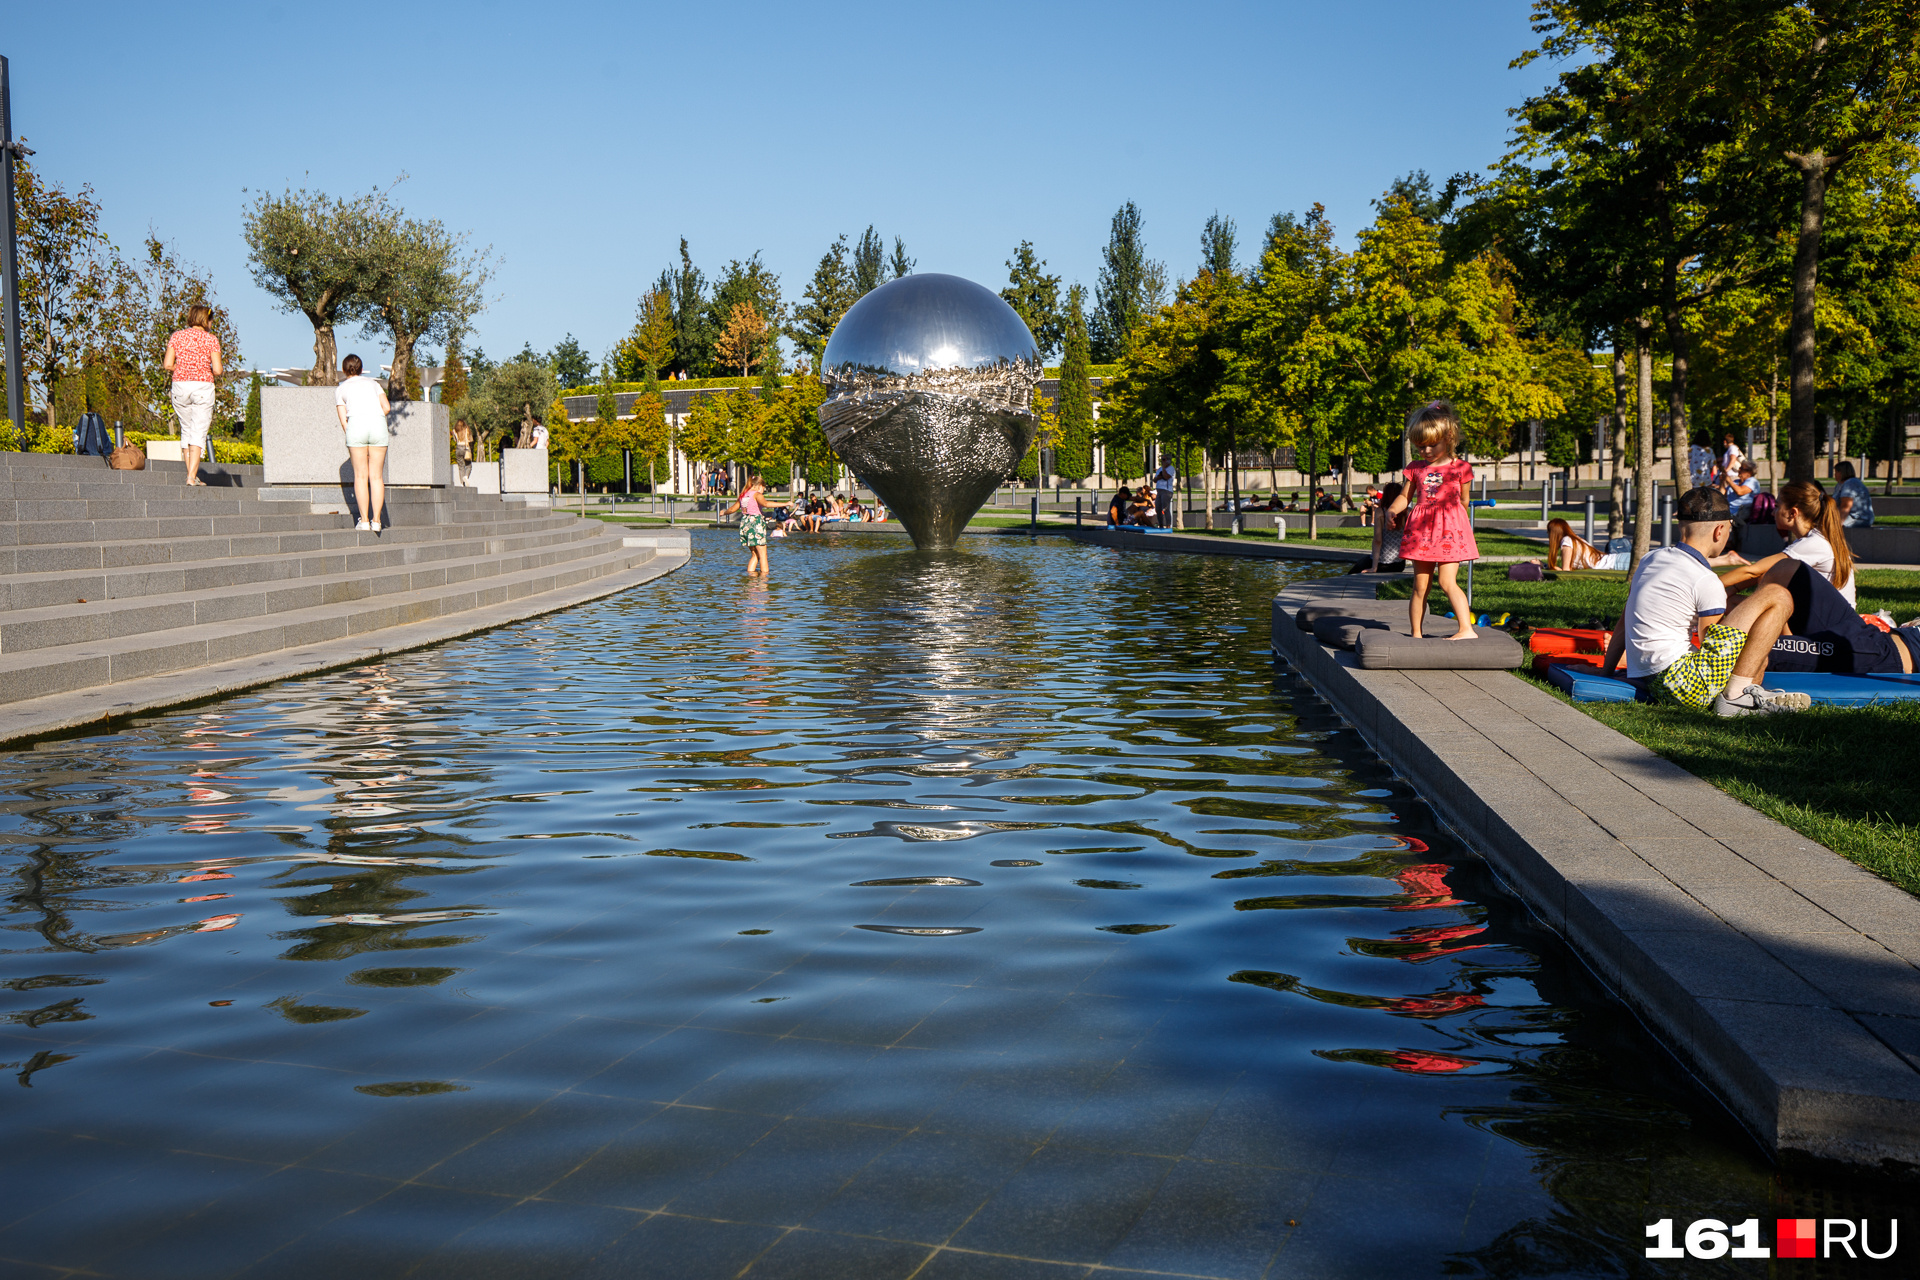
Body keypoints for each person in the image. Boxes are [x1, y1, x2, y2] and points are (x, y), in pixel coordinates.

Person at [1600, 486, 1813, 715]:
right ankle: (1736, 698)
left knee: (1751, 633)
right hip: (1686, 686)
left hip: (1647, 677)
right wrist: (1758, 649)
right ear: (1719, 530)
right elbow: (1714, 646)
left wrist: (1606, 674)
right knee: (1778, 595)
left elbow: (1624, 622)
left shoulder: (1650, 559)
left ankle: (1744, 690)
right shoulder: (1705, 579)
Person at [1385, 400, 1479, 640]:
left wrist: (1455, 525)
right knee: (1420, 587)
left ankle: (1466, 629)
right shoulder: (1415, 468)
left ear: (1448, 437)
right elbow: (1405, 497)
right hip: (1422, 534)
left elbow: (1464, 502)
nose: (1425, 451)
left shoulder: (1460, 468)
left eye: (1431, 445)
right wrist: (1392, 511)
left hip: (1449, 532)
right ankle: (1416, 633)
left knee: (1448, 582)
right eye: (1420, 447)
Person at [1720, 479, 1856, 607]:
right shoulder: (1815, 539)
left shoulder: (1812, 543)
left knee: (1767, 591)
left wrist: (1707, 586)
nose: (1773, 513)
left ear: (1792, 513)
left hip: (1831, 625)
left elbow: (1752, 571)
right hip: (1830, 618)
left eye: (1777, 506)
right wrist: (1731, 589)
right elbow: (1763, 572)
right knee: (1729, 600)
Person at [161, 305, 223, 486]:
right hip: (202, 386)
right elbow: (218, 370)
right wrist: (202, 370)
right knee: (198, 433)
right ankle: (190, 477)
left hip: (180, 386)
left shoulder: (177, 336)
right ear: (206, 320)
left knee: (186, 430)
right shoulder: (211, 340)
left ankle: (192, 475)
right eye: (211, 320)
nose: (212, 323)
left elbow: (167, 364)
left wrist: (182, 369)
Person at [333, 354, 392, 533]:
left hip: (356, 427)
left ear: (344, 370)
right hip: (378, 426)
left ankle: (364, 520)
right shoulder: (374, 384)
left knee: (360, 476)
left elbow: (344, 421)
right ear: (361, 369)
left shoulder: (341, 389)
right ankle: (377, 521)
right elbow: (387, 407)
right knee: (376, 477)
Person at [724, 472, 770, 574]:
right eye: (763, 488)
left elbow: (733, 509)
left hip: (745, 524)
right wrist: (786, 503)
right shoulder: (757, 494)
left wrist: (724, 512)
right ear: (759, 486)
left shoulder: (743, 495)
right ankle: (764, 582)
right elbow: (766, 503)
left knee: (755, 554)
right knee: (763, 555)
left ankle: (750, 579)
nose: (763, 491)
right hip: (755, 523)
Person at [1368, 482, 1405, 572]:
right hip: (1400, 563)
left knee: (1353, 571)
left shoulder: (1381, 512)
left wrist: (1374, 568)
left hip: (1382, 562)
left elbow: (1377, 541)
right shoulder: (1407, 512)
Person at [1833, 460, 1874, 528]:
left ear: (1842, 473)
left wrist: (1837, 524)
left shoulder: (1850, 483)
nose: (1835, 474)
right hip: (1848, 517)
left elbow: (1845, 506)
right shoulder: (1839, 485)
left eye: (1836, 472)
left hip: (1858, 518)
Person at [1152, 458, 1177, 528]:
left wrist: (1163, 469)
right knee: (1158, 508)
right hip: (1159, 490)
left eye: (1164, 460)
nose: (1163, 462)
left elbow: (1166, 477)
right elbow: (1155, 479)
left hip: (1166, 491)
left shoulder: (1171, 468)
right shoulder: (1159, 469)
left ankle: (1168, 525)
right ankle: (1161, 525)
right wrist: (1160, 476)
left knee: (1165, 508)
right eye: (1162, 460)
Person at [452, 417, 475, 486]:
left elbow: (455, 440)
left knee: (461, 466)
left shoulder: (454, 430)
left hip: (458, 448)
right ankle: (466, 476)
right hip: (465, 448)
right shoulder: (466, 429)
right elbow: (470, 439)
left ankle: (462, 483)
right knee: (468, 466)